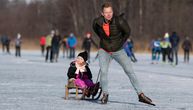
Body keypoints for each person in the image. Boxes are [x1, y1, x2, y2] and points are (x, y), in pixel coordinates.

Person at [92, 2, 155, 105]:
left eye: (110, 12)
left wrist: (121, 42)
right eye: (106, 12)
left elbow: (128, 31)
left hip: (118, 50)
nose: (109, 14)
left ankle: (140, 94)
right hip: (104, 50)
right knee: (103, 72)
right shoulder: (97, 22)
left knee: (129, 71)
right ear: (102, 13)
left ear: (112, 12)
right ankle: (105, 94)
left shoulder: (119, 21)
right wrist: (104, 41)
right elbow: (96, 31)